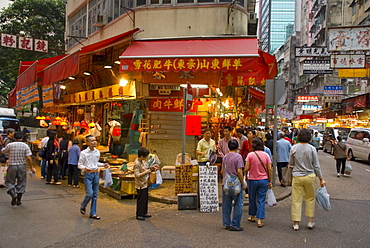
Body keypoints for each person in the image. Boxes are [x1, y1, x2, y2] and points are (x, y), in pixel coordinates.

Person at [289, 129, 326, 231]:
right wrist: (321, 178)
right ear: (309, 137)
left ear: (298, 137)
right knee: (310, 199)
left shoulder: (294, 148)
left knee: (296, 200)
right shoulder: (312, 148)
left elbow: (291, 163)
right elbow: (316, 165)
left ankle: (296, 223)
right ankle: (310, 221)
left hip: (297, 176)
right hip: (310, 176)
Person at [78, 135, 109, 220]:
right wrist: (85, 168)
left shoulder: (97, 152)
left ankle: (93, 213)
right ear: (87, 143)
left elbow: (96, 163)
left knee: (95, 195)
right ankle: (83, 205)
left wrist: (103, 164)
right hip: (88, 174)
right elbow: (79, 165)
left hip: (96, 173)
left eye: (95, 140)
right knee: (89, 194)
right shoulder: (83, 153)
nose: (94, 142)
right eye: (92, 141)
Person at [1, 131, 36, 206]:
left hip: (12, 165)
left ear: (14, 137)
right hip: (22, 166)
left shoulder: (10, 145)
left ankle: (13, 194)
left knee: (9, 181)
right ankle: (19, 200)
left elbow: (3, 151)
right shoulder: (25, 146)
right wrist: (31, 167)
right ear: (22, 137)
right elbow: (29, 158)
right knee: (21, 182)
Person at [245, 138, 272, 228]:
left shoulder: (250, 155)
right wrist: (270, 180)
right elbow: (269, 169)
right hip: (263, 180)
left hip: (252, 179)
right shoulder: (266, 155)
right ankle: (260, 219)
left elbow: (246, 168)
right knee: (261, 199)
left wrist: (246, 176)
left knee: (252, 198)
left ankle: (252, 216)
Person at [221, 139, 246, 231]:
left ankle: (226, 223)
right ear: (237, 147)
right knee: (238, 204)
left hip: (226, 183)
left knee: (226, 204)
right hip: (236, 184)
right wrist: (243, 183)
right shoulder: (238, 157)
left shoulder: (225, 157)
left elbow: (222, 171)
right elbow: (239, 171)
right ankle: (235, 224)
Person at [134, 147, 160, 220]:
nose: (146, 158)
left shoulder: (143, 161)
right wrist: (147, 172)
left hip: (145, 183)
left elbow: (146, 168)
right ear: (141, 156)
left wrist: (152, 167)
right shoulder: (137, 163)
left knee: (145, 199)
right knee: (141, 200)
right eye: (145, 156)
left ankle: (144, 213)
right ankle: (139, 214)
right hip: (140, 185)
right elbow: (137, 175)